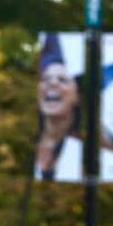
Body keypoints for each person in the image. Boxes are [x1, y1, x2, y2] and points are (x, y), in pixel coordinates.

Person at [35, 33, 82, 180]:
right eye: (45, 79)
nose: (52, 83)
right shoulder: (21, 142)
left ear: (77, 96)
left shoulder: (86, 152)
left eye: (62, 80)